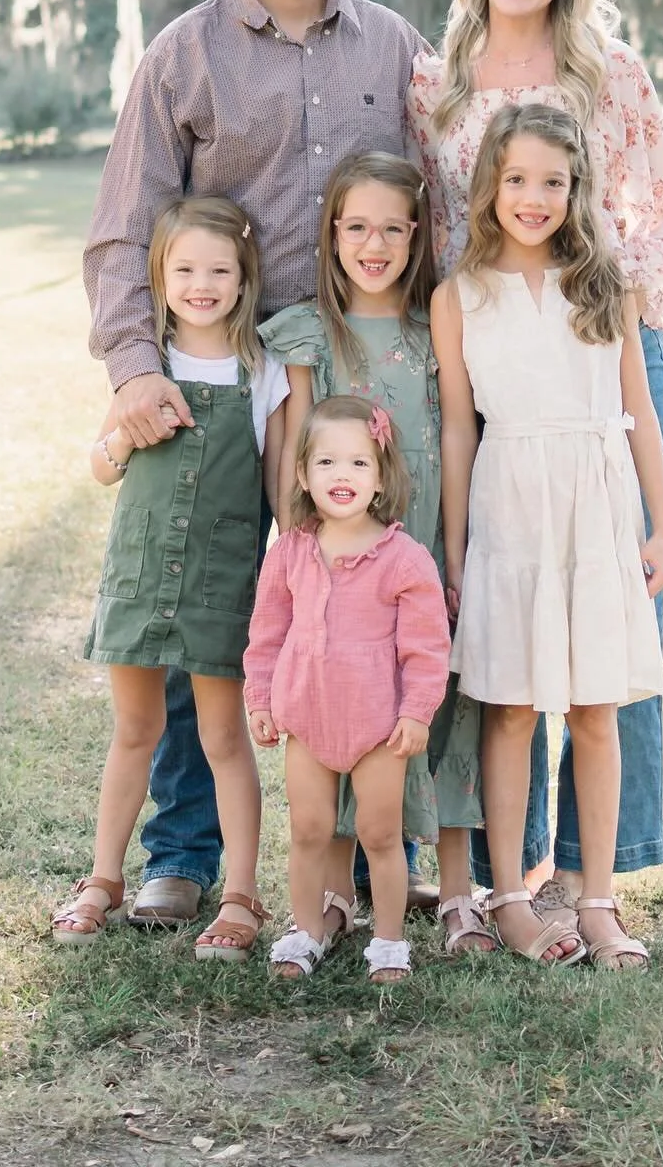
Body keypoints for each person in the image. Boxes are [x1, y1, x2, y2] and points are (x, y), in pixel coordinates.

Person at [82, 0, 428, 931]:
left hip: (360, 359)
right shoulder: (184, 53)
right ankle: (185, 854)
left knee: (369, 585)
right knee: (212, 610)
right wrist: (137, 369)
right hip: (222, 368)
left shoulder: (393, 46)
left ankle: (381, 842)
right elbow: (122, 226)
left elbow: (443, 204)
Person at [406, 0, 663, 922]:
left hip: (594, 353)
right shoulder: (434, 74)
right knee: (502, 610)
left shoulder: (607, 69)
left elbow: (662, 208)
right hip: (483, 354)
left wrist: (619, 308)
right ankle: (496, 878)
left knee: (605, 618)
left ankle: (595, 874)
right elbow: (433, 224)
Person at [433, 104, 663, 969]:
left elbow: (637, 412)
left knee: (595, 710)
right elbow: (460, 429)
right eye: (518, 179)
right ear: (490, 185)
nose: (534, 198)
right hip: (508, 510)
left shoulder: (605, 285)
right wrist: (457, 546)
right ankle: (509, 899)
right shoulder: (459, 296)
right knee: (507, 710)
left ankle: (599, 899)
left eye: (554, 183)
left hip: (596, 508)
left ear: (578, 192)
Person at [261, 152, 492, 962]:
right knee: (336, 709)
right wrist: (295, 555)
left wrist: (453, 551)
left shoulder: (438, 330)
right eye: (357, 226)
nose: (375, 243)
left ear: (419, 235)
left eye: (394, 227)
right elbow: (291, 455)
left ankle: (460, 891)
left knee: (445, 703)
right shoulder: (309, 335)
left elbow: (458, 435)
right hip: (334, 567)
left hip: (420, 553)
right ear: (330, 234)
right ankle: (328, 896)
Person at [53, 198, 287, 959]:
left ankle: (243, 893)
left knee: (223, 736)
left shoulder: (263, 370)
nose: (201, 283)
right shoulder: (145, 363)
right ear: (159, 275)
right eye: (184, 269)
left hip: (222, 583)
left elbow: (281, 484)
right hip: (141, 573)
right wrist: (121, 436)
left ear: (244, 277)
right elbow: (98, 464)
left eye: (219, 269)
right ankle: (102, 878)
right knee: (135, 731)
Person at [244, 396, 451, 984]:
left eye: (360, 464)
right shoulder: (288, 554)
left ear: (382, 477)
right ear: (304, 476)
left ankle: (388, 941)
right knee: (309, 830)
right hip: (307, 716)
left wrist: (416, 712)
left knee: (379, 833)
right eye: (328, 463)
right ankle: (306, 930)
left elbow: (426, 648)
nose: (343, 475)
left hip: (379, 724)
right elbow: (266, 637)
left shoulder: (404, 560)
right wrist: (260, 699)